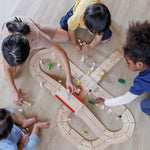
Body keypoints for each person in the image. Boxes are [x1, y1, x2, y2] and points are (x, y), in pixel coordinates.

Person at [0, 16, 75, 106]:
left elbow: (62, 53)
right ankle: (38, 41)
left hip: (31, 28)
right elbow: (7, 68)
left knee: (66, 37)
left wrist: (69, 78)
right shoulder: (7, 46)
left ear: (30, 48)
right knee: (5, 75)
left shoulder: (38, 38)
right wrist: (14, 92)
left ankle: (37, 28)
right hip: (19, 33)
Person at [92, 21, 150, 116]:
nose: (126, 64)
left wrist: (105, 102)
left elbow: (126, 98)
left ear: (140, 64)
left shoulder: (142, 82)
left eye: (128, 62)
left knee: (145, 106)